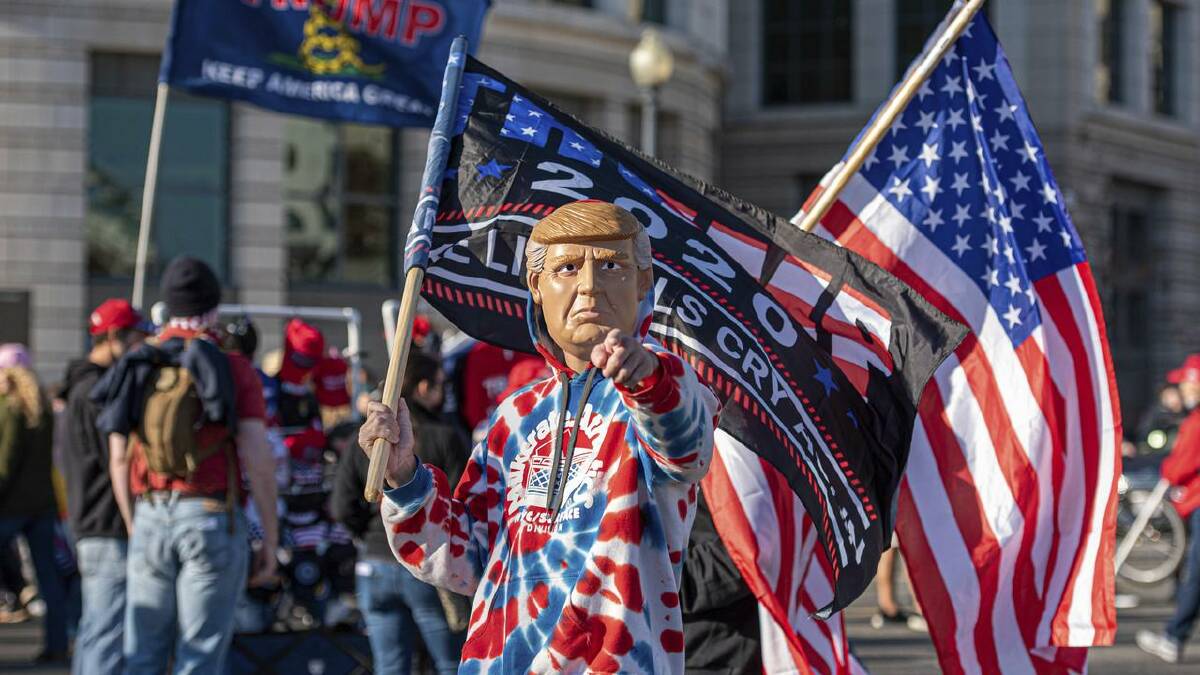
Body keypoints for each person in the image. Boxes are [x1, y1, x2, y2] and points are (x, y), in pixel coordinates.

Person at [358, 200, 719, 673]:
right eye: (567, 268)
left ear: (643, 281)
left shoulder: (665, 387)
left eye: (611, 266)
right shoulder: (514, 414)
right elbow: (464, 558)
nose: (589, 286)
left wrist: (648, 378)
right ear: (536, 287)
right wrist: (404, 478)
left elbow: (686, 449)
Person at [96, 257, 280, 673]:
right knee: (200, 654)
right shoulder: (232, 366)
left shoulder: (139, 363)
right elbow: (258, 459)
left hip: (150, 511)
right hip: (211, 515)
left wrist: (133, 522)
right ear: (215, 306)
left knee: (142, 652)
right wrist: (269, 537)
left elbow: (119, 456)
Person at [334, 350, 468, 674]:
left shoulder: (364, 439)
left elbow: (341, 506)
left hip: (375, 564)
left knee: (389, 666)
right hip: (425, 563)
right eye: (440, 384)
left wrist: (367, 536)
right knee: (453, 664)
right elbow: (462, 506)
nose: (442, 392)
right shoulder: (445, 435)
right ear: (422, 387)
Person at [61, 299, 151, 673]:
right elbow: (114, 456)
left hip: (91, 522)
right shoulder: (96, 391)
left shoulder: (80, 387)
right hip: (106, 524)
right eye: (134, 339)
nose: (139, 348)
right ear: (114, 337)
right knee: (106, 629)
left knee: (94, 628)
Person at [0, 344, 70, 664]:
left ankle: (16, 600)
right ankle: (57, 642)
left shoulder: (10, 408)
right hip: (42, 505)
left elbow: (6, 462)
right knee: (48, 577)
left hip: (11, 507)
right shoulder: (41, 407)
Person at [1138, 354, 1200, 663]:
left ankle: (1174, 636)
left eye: (1188, 382)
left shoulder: (1196, 422)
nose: (1183, 388)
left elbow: (1177, 468)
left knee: (1196, 573)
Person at [680, 490, 761, 674]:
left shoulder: (729, 465)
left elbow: (743, 552)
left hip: (716, 652)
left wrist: (659, 583)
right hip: (664, 647)